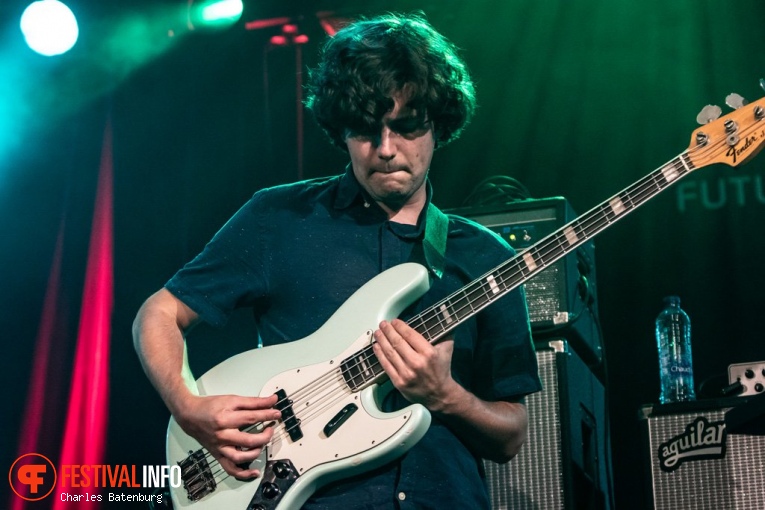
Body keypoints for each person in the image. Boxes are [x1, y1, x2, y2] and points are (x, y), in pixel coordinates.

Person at [133, 12, 541, 509]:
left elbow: (512, 435)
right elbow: (160, 313)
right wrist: (189, 406)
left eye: (407, 126)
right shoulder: (280, 216)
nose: (387, 149)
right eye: (366, 129)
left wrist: (444, 395)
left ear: (439, 124)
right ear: (340, 128)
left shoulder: (488, 259)